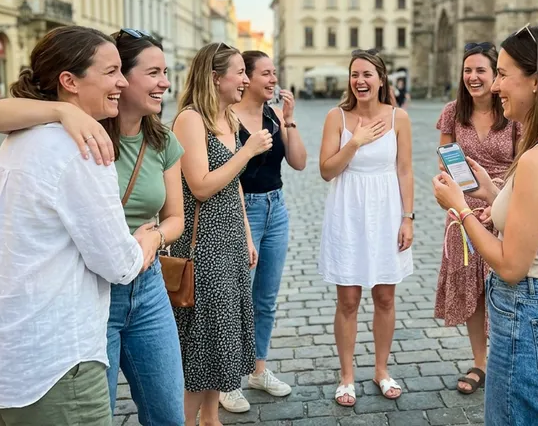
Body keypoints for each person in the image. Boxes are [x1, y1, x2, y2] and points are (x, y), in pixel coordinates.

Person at [0, 28, 188, 424]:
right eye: (114, 72)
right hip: (85, 308)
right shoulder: (84, 141)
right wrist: (62, 111)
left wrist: (155, 235)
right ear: (71, 81)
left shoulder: (37, 138)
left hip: (139, 290)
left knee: (167, 413)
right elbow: (120, 264)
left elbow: (173, 216)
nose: (121, 81)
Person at [432, 23, 538, 424]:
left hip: (527, 312)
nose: (495, 85)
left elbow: (509, 265)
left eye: (502, 74)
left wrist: (462, 207)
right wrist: (491, 193)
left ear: (536, 82)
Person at [171, 42, 273, 419]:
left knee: (220, 345)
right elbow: (200, 184)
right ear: (215, 78)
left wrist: (246, 235)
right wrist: (247, 153)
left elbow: (234, 185)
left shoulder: (228, 119)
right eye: (239, 72)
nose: (245, 79)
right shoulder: (190, 120)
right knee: (203, 342)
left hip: (230, 240)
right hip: (204, 246)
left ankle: (211, 419)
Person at [318, 49, 413, 406]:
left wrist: (408, 217)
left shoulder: (398, 118)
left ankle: (381, 369)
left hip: (387, 211)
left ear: (381, 79)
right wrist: (354, 142)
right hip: (347, 211)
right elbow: (327, 170)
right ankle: (346, 376)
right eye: (355, 74)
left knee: (385, 296)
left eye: (367, 74)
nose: (360, 81)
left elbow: (405, 169)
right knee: (348, 299)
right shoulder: (336, 117)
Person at [434, 42, 521, 394]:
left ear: (496, 74)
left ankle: (506, 359)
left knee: (503, 285)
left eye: (481, 70)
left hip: (504, 203)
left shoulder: (513, 111)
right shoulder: (453, 112)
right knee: (472, 290)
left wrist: (497, 194)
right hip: (463, 209)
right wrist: (446, 185)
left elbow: (524, 163)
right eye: (467, 70)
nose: (472, 76)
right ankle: (480, 362)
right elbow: (443, 163)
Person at [231, 50, 307, 399]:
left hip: (276, 208)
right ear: (245, 77)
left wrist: (289, 119)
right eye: (266, 73)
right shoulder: (227, 117)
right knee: (236, 298)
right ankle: (227, 381)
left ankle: (258, 370)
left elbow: (299, 162)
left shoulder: (273, 114)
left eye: (274, 72)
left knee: (266, 298)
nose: (273, 79)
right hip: (241, 210)